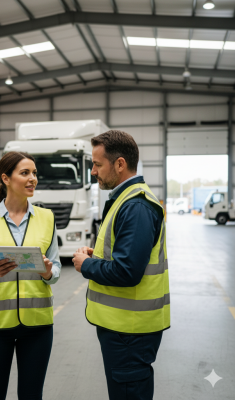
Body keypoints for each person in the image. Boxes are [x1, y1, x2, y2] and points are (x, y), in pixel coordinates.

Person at [72, 130, 170, 400]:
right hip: (126, 328)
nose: (93, 171)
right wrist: (96, 256)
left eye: (97, 164)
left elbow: (127, 271)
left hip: (131, 330)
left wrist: (87, 265)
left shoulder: (136, 206)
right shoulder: (125, 200)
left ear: (119, 164)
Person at [0, 151, 61, 400]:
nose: (33, 179)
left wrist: (48, 272)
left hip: (38, 326)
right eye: (25, 173)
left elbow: (56, 271)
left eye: (34, 173)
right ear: (6, 178)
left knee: (32, 395)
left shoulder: (47, 218)